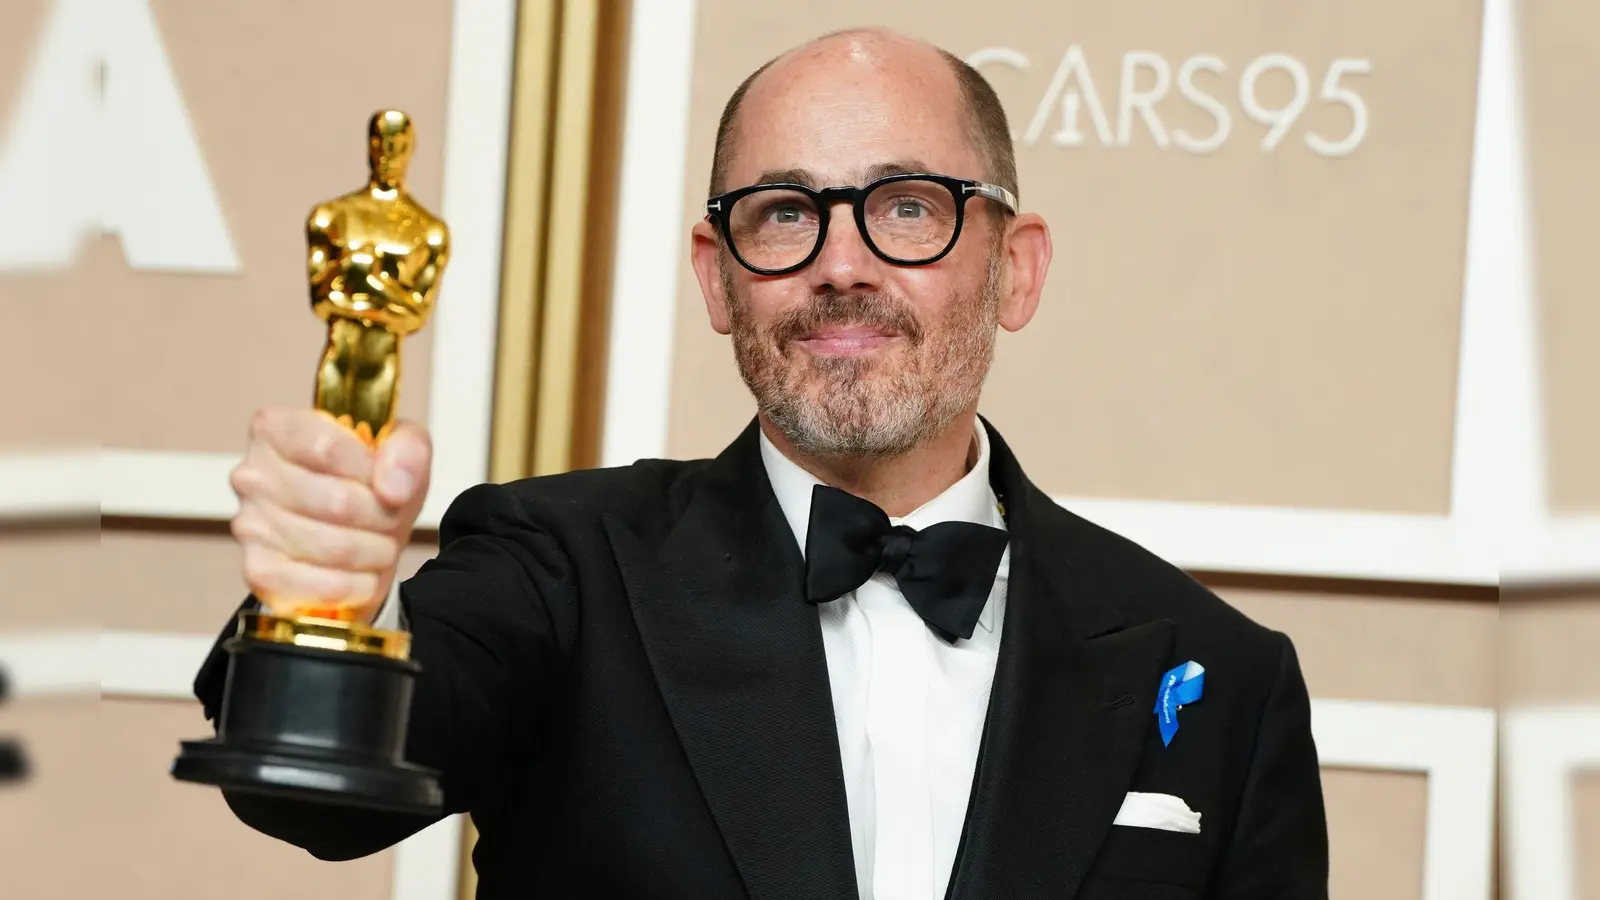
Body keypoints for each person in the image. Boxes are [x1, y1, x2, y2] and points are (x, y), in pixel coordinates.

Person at [196, 28, 1329, 900]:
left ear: (1014, 269)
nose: (841, 264)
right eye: (784, 213)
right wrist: (320, 608)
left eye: (906, 206)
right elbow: (313, 800)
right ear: (716, 275)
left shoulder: (1221, 674)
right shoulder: (559, 572)